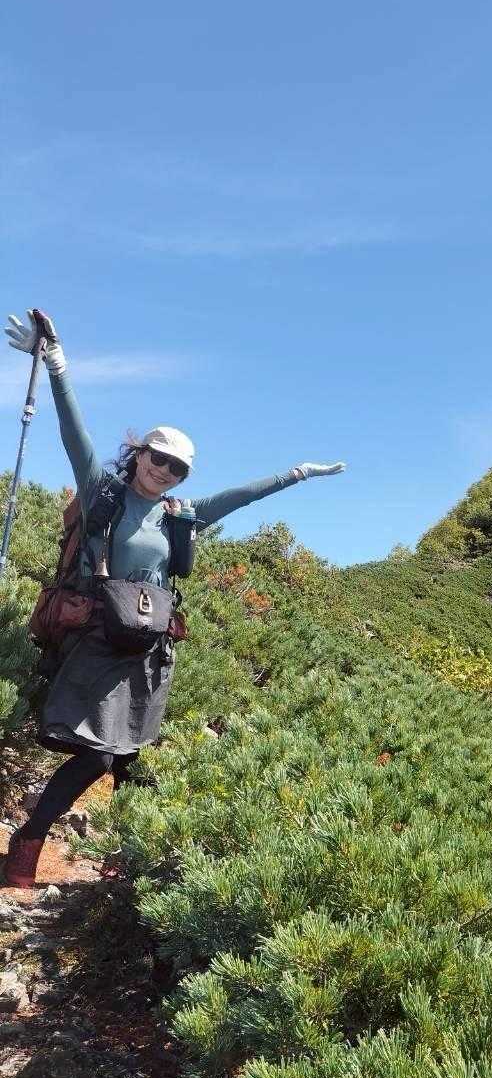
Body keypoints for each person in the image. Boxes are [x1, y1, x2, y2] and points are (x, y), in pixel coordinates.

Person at [2, 310, 345, 888]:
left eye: (177, 468)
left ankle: (123, 866)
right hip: (97, 642)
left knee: (132, 759)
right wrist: (57, 365)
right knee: (97, 755)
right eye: (157, 457)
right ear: (139, 453)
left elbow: (240, 497)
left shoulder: (179, 516)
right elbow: (73, 434)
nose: (165, 470)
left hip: (149, 650)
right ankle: (28, 844)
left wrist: (296, 474)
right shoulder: (102, 493)